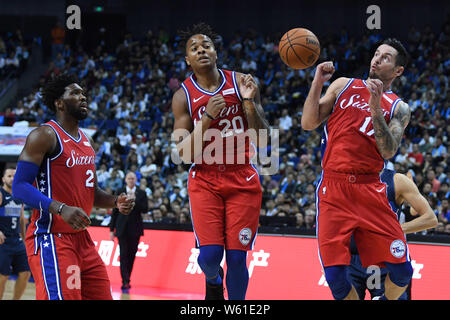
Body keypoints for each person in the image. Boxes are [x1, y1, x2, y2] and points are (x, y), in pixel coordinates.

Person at [301, 38, 413, 300]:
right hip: (334, 186)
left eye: (386, 57)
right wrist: (318, 80)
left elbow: (387, 150)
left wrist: (376, 106)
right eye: (376, 53)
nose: (377, 59)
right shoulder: (343, 85)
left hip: (370, 188)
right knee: (336, 278)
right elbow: (308, 122)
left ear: (398, 71)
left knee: (402, 272)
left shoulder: (399, 107)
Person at [12, 74, 135, 300]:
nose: (83, 97)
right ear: (59, 103)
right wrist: (61, 208)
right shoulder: (44, 135)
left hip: (82, 239)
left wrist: (115, 201)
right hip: (51, 237)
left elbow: (92, 192)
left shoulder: (86, 140)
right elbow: (18, 187)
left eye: (83, 93)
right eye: (75, 93)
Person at [171, 23, 269, 300]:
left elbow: (262, 139)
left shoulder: (243, 83)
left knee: (238, 258)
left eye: (206, 45)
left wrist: (248, 102)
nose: (201, 49)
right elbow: (184, 155)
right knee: (211, 257)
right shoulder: (183, 96)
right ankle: (214, 279)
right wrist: (207, 119)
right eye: (194, 48)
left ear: (216, 52)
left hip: (243, 177)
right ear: (187, 60)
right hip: (205, 178)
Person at [347, 169, 438, 300]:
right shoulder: (346, 178)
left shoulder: (396, 180)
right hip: (353, 258)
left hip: (386, 258)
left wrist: (393, 230)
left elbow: (430, 218)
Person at [109, 171, 148, 292]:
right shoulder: (120, 191)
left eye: (133, 178)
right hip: (121, 228)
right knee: (124, 254)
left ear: (136, 180)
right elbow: (114, 212)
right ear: (125, 180)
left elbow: (145, 209)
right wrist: (111, 229)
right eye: (129, 178)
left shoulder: (141, 193)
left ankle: (128, 278)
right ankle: (125, 280)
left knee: (132, 255)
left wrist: (134, 201)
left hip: (135, 228)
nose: (131, 180)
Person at [0, 166, 31, 300]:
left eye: (14, 176)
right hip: (3, 242)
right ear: (3, 179)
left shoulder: (19, 196)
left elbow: (22, 220)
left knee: (25, 273)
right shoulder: (1, 194)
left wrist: (24, 240)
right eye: (9, 176)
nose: (12, 179)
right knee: (3, 276)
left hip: (17, 241)